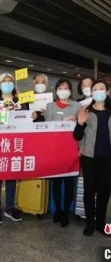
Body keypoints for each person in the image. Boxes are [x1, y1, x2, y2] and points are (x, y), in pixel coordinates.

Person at [73, 80, 111, 237]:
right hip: (89, 158)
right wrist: (80, 124)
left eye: (101, 89)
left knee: (104, 192)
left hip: (108, 159)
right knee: (89, 192)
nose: (98, 91)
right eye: (95, 89)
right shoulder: (85, 112)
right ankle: (89, 222)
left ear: (107, 92)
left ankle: (100, 223)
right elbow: (77, 136)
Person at [0, 73, 24, 224]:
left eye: (10, 81)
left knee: (11, 176)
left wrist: (28, 110)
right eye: (4, 81)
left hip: (14, 143)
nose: (8, 83)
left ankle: (10, 207)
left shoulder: (18, 100)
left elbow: (25, 119)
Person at [45, 78, 81, 227]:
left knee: (69, 182)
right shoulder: (50, 106)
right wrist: (63, 119)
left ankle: (66, 211)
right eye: (60, 87)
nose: (63, 90)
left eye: (66, 87)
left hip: (72, 148)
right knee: (57, 182)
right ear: (57, 90)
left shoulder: (77, 106)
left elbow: (81, 126)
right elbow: (47, 125)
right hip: (55, 149)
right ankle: (58, 210)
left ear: (70, 91)